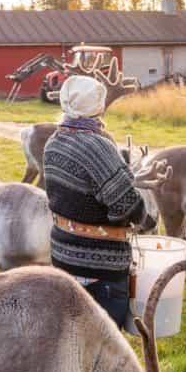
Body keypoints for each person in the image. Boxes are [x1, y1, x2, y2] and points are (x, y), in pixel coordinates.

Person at [43, 75, 155, 328]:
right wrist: (145, 218)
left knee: (71, 339)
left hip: (63, 258)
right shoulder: (97, 146)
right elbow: (129, 207)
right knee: (103, 351)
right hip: (100, 269)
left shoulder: (54, 141)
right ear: (99, 106)